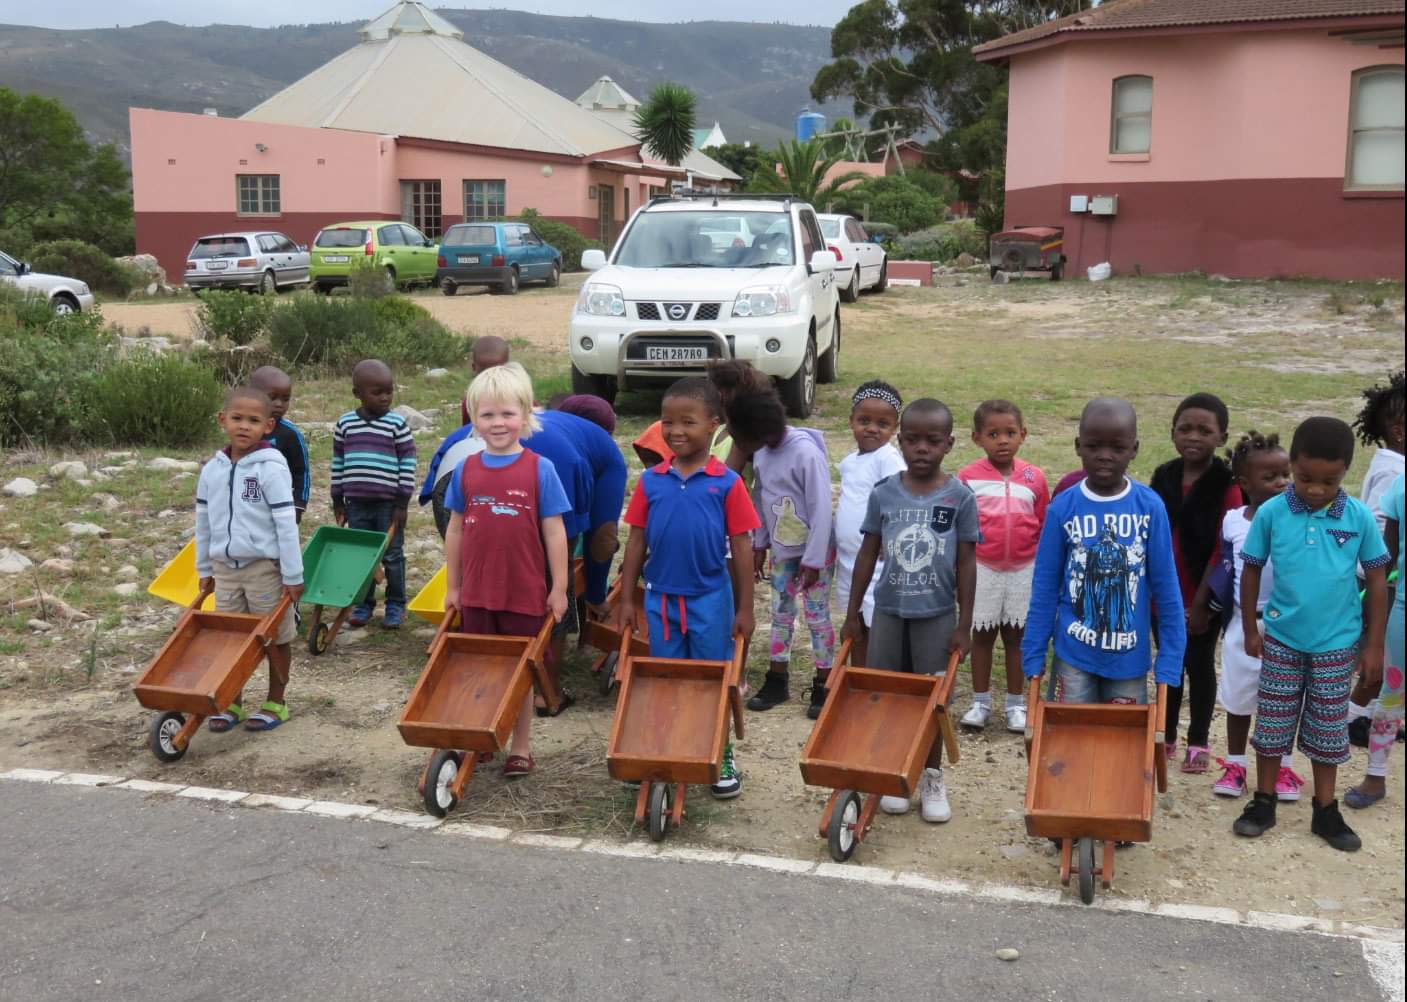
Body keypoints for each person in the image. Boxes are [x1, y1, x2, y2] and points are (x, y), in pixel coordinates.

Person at [1233, 417, 1390, 852]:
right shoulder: (1272, 512)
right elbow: (1251, 569)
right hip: (1282, 640)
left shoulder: (1357, 516)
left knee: (1327, 731)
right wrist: (1251, 627)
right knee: (1273, 725)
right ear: (1293, 466)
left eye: (1329, 481)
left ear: (1346, 474)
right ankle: (1263, 802)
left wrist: (1373, 645)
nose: (1316, 489)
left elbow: (1377, 580)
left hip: (1337, 646)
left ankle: (1325, 810)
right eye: (1305, 478)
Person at [618, 377, 759, 799]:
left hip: (710, 600)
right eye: (666, 422)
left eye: (688, 422)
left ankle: (719, 752)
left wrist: (745, 608)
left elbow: (742, 546)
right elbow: (637, 540)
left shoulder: (726, 483)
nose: (675, 431)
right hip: (661, 598)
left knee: (713, 679)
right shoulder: (651, 481)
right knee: (665, 678)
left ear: (714, 425)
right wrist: (627, 598)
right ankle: (663, 749)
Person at [843, 398, 978, 822]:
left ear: (949, 444)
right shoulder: (884, 494)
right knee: (888, 697)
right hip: (887, 613)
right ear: (899, 441)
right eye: (913, 440)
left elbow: (967, 562)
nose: (922, 449)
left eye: (932, 441)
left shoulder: (959, 497)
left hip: (936, 616)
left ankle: (932, 775)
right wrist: (852, 614)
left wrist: (965, 623)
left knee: (933, 702)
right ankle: (893, 771)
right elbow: (867, 555)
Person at [443, 363, 571, 779]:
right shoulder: (466, 469)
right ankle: (483, 736)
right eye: (488, 415)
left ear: (526, 414)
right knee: (480, 668)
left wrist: (560, 589)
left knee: (521, 672)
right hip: (478, 592)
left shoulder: (540, 469)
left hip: (524, 592)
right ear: (474, 421)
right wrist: (453, 586)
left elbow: (554, 533)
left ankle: (521, 746)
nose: (498, 423)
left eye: (507, 413)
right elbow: (456, 530)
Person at [1021, 398, 1186, 716]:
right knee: (1068, 737)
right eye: (1094, 446)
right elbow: (1044, 588)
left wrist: (1171, 655)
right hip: (1074, 654)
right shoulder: (1062, 509)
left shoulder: (1150, 508)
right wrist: (1034, 650)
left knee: (1122, 743)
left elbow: (1166, 589)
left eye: (1117, 447)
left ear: (1134, 448)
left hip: (1129, 658)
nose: (1105, 456)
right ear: (1078, 446)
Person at [1190, 432, 1297, 798]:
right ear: (1244, 483)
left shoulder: (1298, 521)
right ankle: (1236, 764)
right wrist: (1203, 605)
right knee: (1239, 698)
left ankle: (1283, 767)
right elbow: (1220, 566)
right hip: (1243, 622)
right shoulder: (1234, 520)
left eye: (1286, 473)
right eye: (1271, 477)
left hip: (1289, 625)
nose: (1282, 482)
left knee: (1282, 700)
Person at [196, 386, 304, 733]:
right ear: (222, 419)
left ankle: (276, 701)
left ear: (268, 426)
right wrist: (204, 568)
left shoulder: (271, 468)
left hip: (263, 570)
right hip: (226, 570)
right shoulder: (212, 469)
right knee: (230, 639)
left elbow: (285, 523)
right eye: (237, 418)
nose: (244, 426)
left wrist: (293, 574)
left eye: (254, 421)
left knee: (274, 637)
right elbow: (204, 521)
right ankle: (233, 703)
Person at [727, 383, 836, 715]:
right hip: (781, 551)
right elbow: (760, 497)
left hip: (815, 555)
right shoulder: (762, 452)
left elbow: (820, 508)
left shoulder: (805, 453)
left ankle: (824, 683)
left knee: (817, 617)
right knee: (780, 614)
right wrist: (759, 543)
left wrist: (815, 558)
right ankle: (777, 679)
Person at [1151, 393, 1242, 773]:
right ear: (1172, 432)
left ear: (1221, 437)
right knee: (1169, 665)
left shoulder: (1227, 485)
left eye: (1205, 431)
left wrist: (1203, 603)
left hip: (1203, 595)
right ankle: (1166, 735)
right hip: (1162, 594)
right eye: (1185, 428)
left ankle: (1199, 740)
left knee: (1200, 664)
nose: (1194, 437)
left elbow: (1224, 550)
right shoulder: (1164, 476)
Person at [958, 399, 1048, 733]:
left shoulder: (1033, 478)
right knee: (981, 636)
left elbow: (1041, 524)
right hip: (983, 569)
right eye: (993, 434)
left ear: (1023, 434)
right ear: (976, 438)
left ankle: (1016, 704)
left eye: (1010, 432)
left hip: (1024, 570)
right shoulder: (967, 478)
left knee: (1016, 638)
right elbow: (961, 529)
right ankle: (980, 702)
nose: (1002, 440)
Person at [331, 359, 416, 629]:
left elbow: (408, 463)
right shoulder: (345, 424)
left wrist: (402, 502)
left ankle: (396, 604)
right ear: (357, 393)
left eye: (389, 391)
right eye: (377, 392)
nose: (385, 397)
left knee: (392, 555)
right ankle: (364, 604)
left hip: (388, 504)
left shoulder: (396, 425)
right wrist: (337, 499)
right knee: (362, 556)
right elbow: (338, 463)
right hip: (356, 503)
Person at [1347, 370, 1404, 747]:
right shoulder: (1394, 471)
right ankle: (1351, 720)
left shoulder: (1391, 465)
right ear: (1399, 430)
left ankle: (1378, 716)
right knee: (1378, 659)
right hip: (1380, 581)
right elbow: (1382, 527)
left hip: (1380, 578)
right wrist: (1384, 580)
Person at [834, 381, 905, 677]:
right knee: (855, 622)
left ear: (894, 428)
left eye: (882, 424)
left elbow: (898, 498)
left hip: (875, 561)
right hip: (848, 561)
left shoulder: (887, 459)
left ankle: (877, 676)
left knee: (877, 623)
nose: (872, 429)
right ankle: (858, 676)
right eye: (864, 421)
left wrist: (890, 538)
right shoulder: (850, 462)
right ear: (851, 421)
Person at [1346, 472, 1403, 809]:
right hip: (1404, 606)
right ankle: (1376, 776)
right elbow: (1387, 558)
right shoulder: (1400, 486)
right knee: (1392, 692)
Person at [250, 365, 310, 523]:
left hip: (281, 505)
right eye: (272, 397)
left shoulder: (290, 434)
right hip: (248, 503)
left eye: (285, 399)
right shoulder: (244, 430)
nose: (279, 404)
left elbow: (301, 471)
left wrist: (299, 504)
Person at [457, 335, 512, 425]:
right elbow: (468, 431)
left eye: (496, 370)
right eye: (485, 371)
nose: (490, 376)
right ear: (474, 368)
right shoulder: (471, 400)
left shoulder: (520, 395)